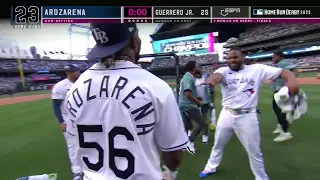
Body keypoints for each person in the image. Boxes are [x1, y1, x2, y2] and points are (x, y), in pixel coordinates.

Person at [63, 23, 188, 180]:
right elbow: (174, 154)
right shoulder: (156, 87)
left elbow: (74, 142)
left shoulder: (75, 89)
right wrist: (170, 173)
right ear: (134, 42)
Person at [199, 48, 299, 179]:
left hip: (247, 116)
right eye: (229, 58)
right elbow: (216, 76)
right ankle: (210, 168)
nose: (232, 60)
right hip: (227, 114)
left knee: (254, 151)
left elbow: (284, 72)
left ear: (243, 58)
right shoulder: (224, 70)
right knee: (218, 144)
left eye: (235, 57)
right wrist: (212, 80)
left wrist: (292, 79)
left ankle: (261, 177)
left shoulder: (257, 69)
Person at [51, 64, 82, 179]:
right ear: (68, 73)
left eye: (77, 71)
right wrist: (61, 122)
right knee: (73, 144)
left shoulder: (84, 82)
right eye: (74, 72)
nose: (77, 73)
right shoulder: (60, 86)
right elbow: (56, 106)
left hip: (83, 118)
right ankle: (77, 171)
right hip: (68, 119)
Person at [179, 61, 208, 155]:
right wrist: (198, 101)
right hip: (188, 105)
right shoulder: (189, 78)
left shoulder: (188, 77)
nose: (199, 67)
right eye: (197, 66)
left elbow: (189, 92)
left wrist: (196, 96)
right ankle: (190, 142)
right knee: (201, 123)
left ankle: (183, 145)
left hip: (183, 105)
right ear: (193, 68)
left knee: (186, 126)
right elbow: (187, 93)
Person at [271, 50, 296, 142]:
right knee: (275, 108)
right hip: (278, 90)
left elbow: (294, 72)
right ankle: (280, 126)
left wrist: (289, 83)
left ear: (279, 56)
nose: (273, 58)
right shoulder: (280, 64)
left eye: (274, 57)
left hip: (283, 91)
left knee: (281, 111)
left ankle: (285, 133)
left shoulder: (285, 63)